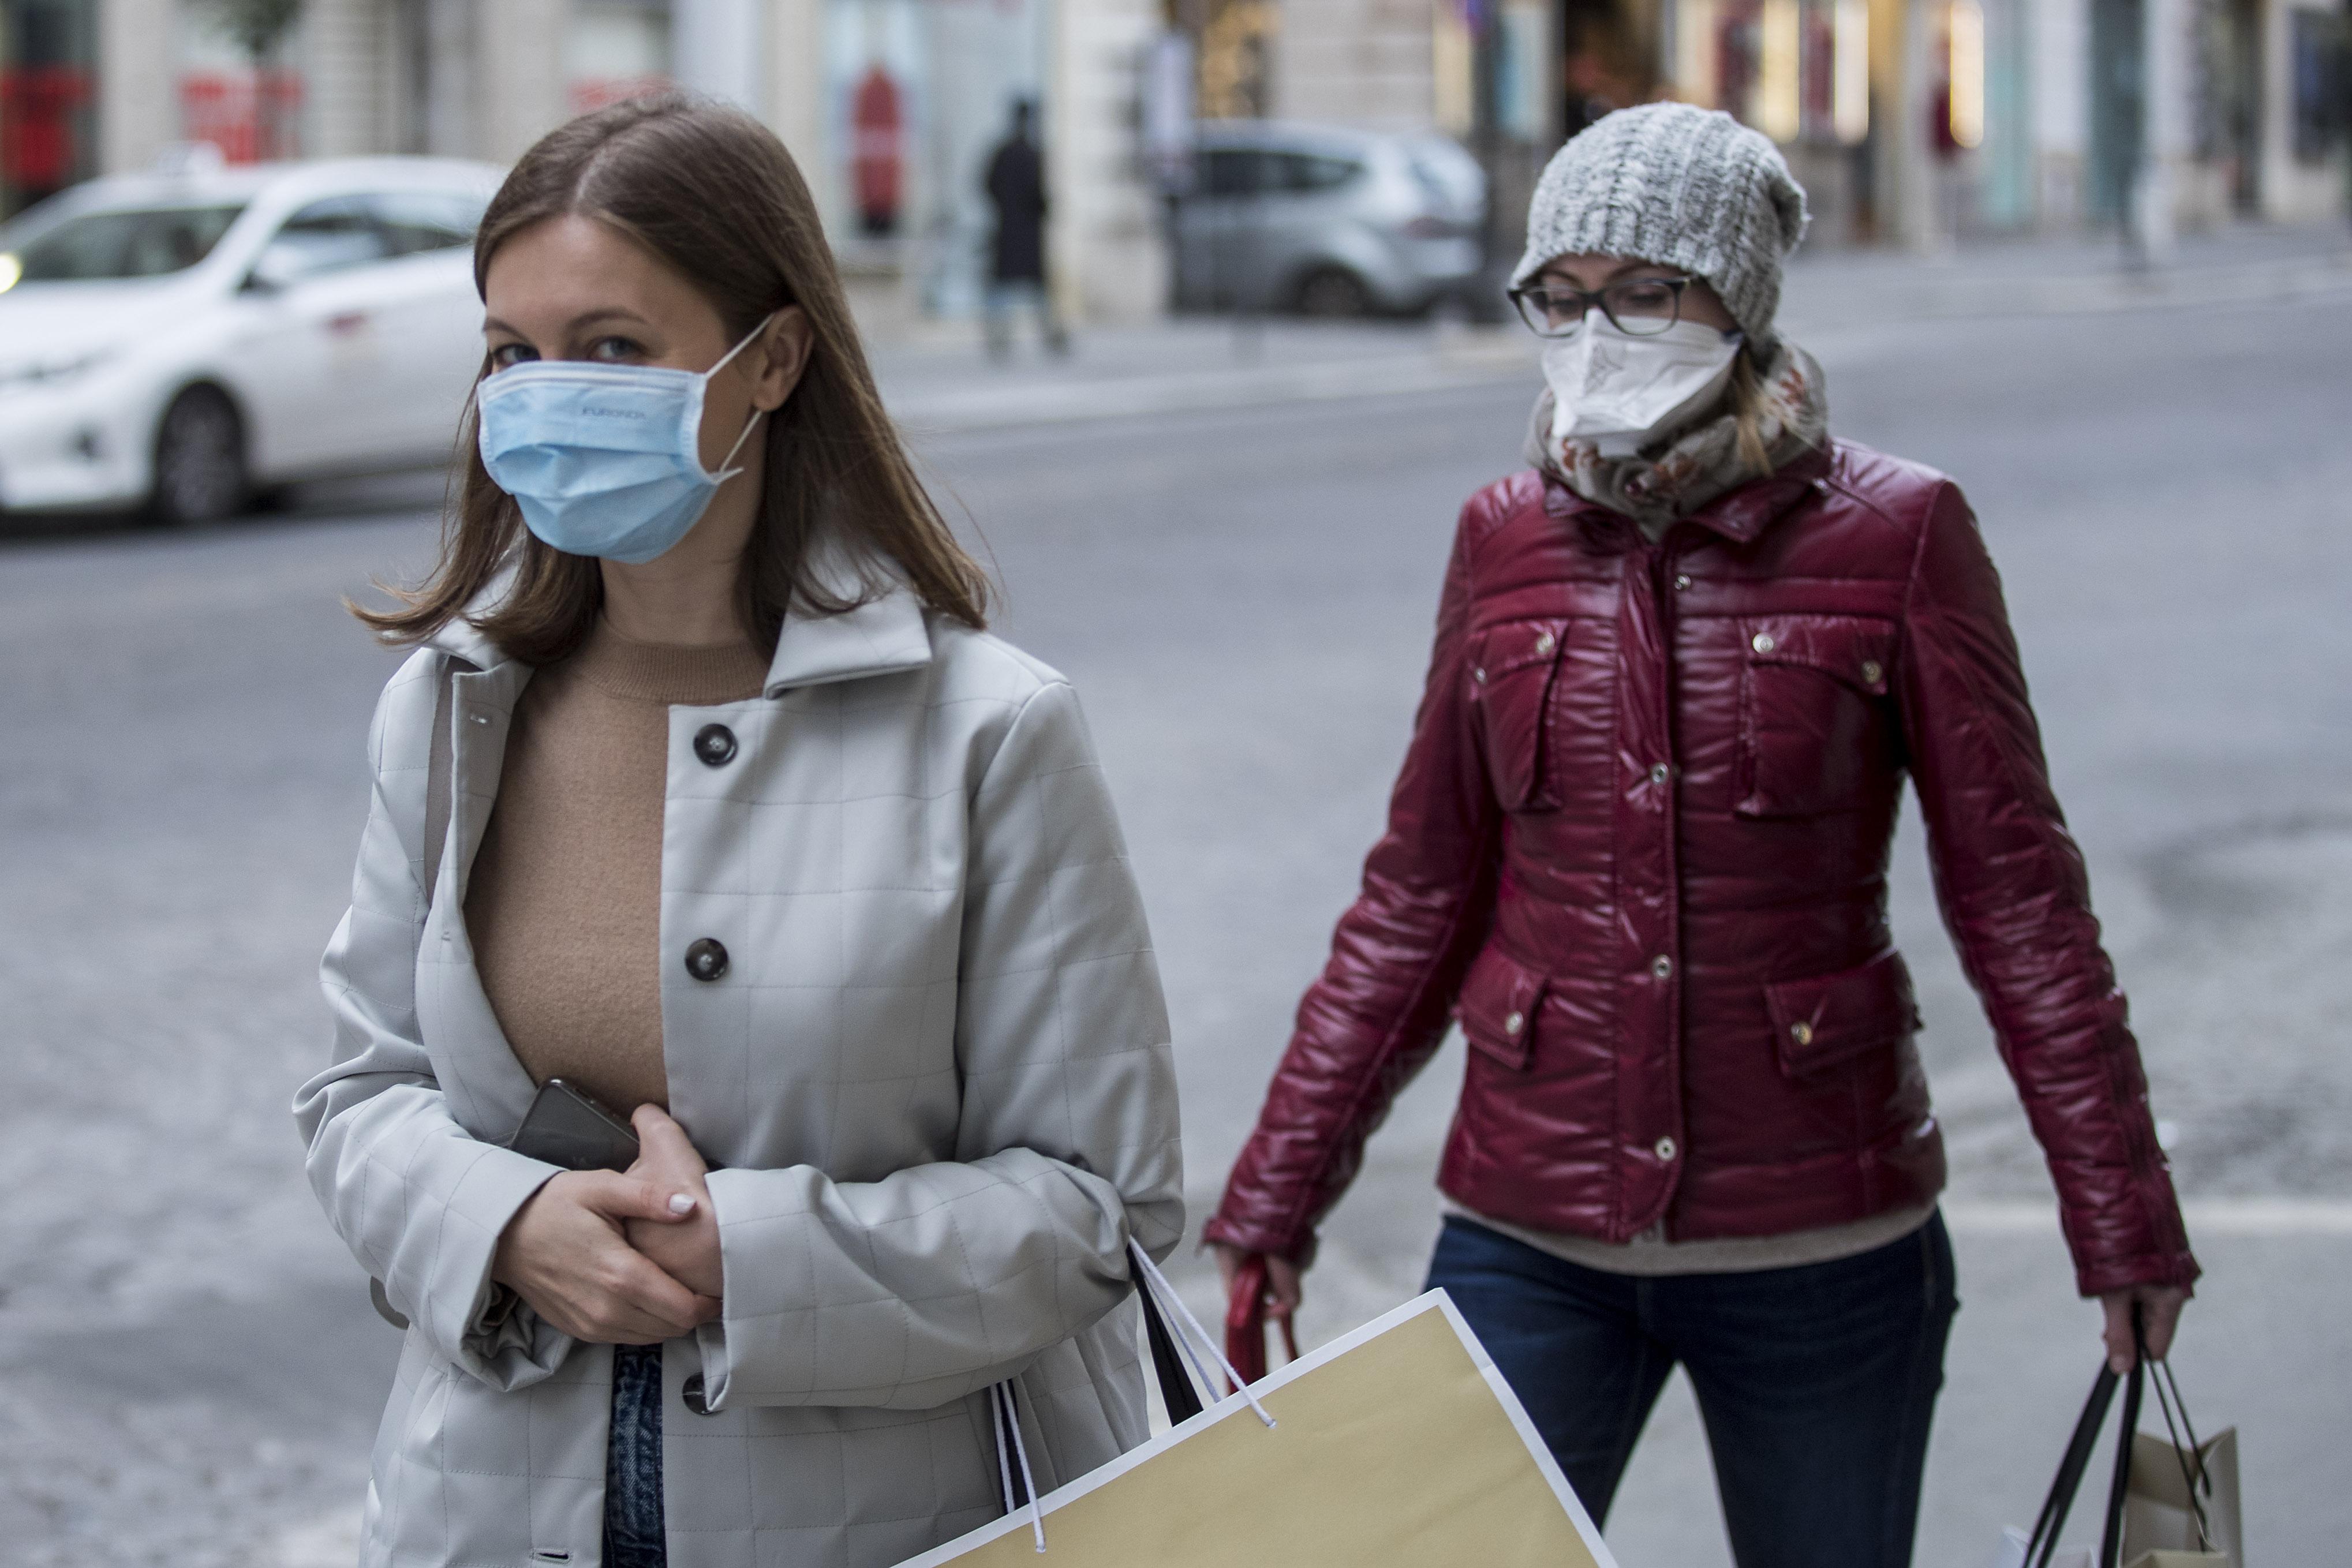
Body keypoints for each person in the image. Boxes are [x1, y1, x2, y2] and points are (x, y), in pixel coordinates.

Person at [1204, 104, 2197, 1568]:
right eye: (1562, 294)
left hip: (1822, 1249)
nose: (1595, 331)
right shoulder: (1501, 537)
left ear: (1735, 304)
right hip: (1530, 1235)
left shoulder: (1900, 534)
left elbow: (2021, 900)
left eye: (1645, 294)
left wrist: (2120, 1213)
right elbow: (1419, 892)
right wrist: (1278, 1191)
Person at [294, 93, 1181, 1568]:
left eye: (614, 348)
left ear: (770, 359)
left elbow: (1100, 1205)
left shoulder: (988, 730)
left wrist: (753, 1262)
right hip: (489, 1509)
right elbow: (358, 1097)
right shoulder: (446, 712)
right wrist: (504, 1226)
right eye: (512, 354)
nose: (543, 396)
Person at [981, 99, 1067, 360]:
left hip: (1008, 230)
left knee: (1005, 287)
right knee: (1035, 290)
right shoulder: (1030, 154)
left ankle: (1000, 338)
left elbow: (987, 185)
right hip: (1027, 233)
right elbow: (1037, 195)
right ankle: (1049, 335)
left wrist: (1004, 208)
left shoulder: (1003, 153)